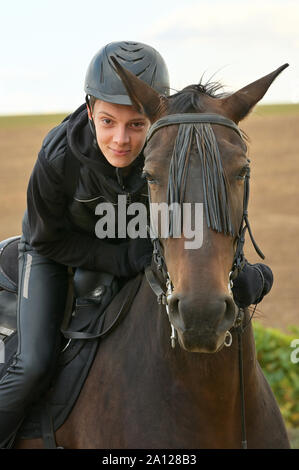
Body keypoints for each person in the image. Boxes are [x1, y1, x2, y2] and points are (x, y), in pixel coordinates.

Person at [0, 41, 273, 448]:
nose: (121, 140)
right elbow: (45, 239)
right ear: (90, 110)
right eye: (108, 121)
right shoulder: (58, 156)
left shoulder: (170, 151)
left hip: (138, 249)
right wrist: (122, 257)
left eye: (136, 125)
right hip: (54, 251)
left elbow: (197, 222)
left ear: (154, 118)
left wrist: (240, 272)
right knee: (33, 365)